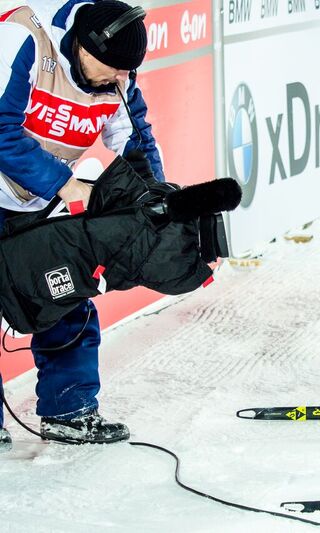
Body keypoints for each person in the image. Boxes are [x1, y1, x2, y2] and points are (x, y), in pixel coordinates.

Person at [0, 0, 163, 450]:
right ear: (84, 46)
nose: (119, 80)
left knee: (65, 293)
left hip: (39, 196)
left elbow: (137, 139)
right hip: (33, 185)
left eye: (126, 72)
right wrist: (66, 186)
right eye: (111, 68)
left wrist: (159, 199)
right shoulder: (26, 39)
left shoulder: (118, 76)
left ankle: (70, 411)